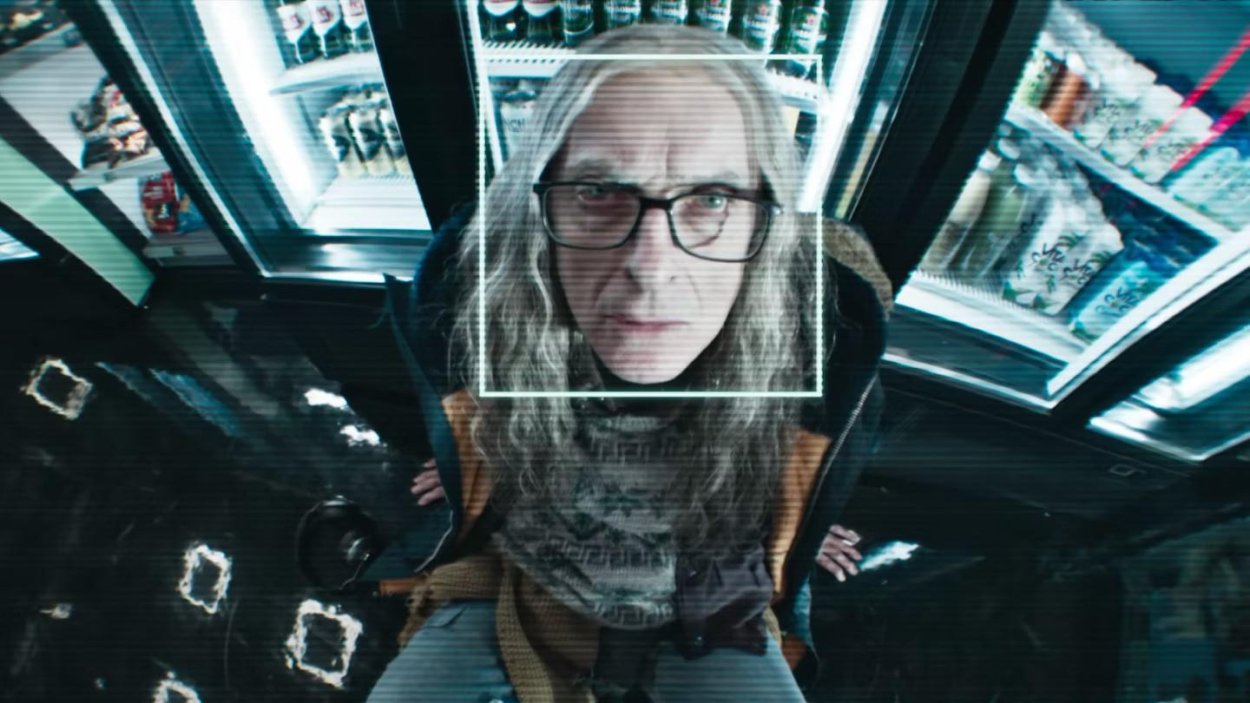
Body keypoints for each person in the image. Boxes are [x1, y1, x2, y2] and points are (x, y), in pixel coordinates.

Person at [362, 23, 891, 702]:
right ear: (536, 205)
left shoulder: (819, 369)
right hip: (522, 589)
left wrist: (804, 517)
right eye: (597, 191)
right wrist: (476, 462)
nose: (650, 269)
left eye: (711, 199)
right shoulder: (474, 325)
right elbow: (483, 420)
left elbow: (805, 464)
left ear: (767, 222)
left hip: (713, 607)